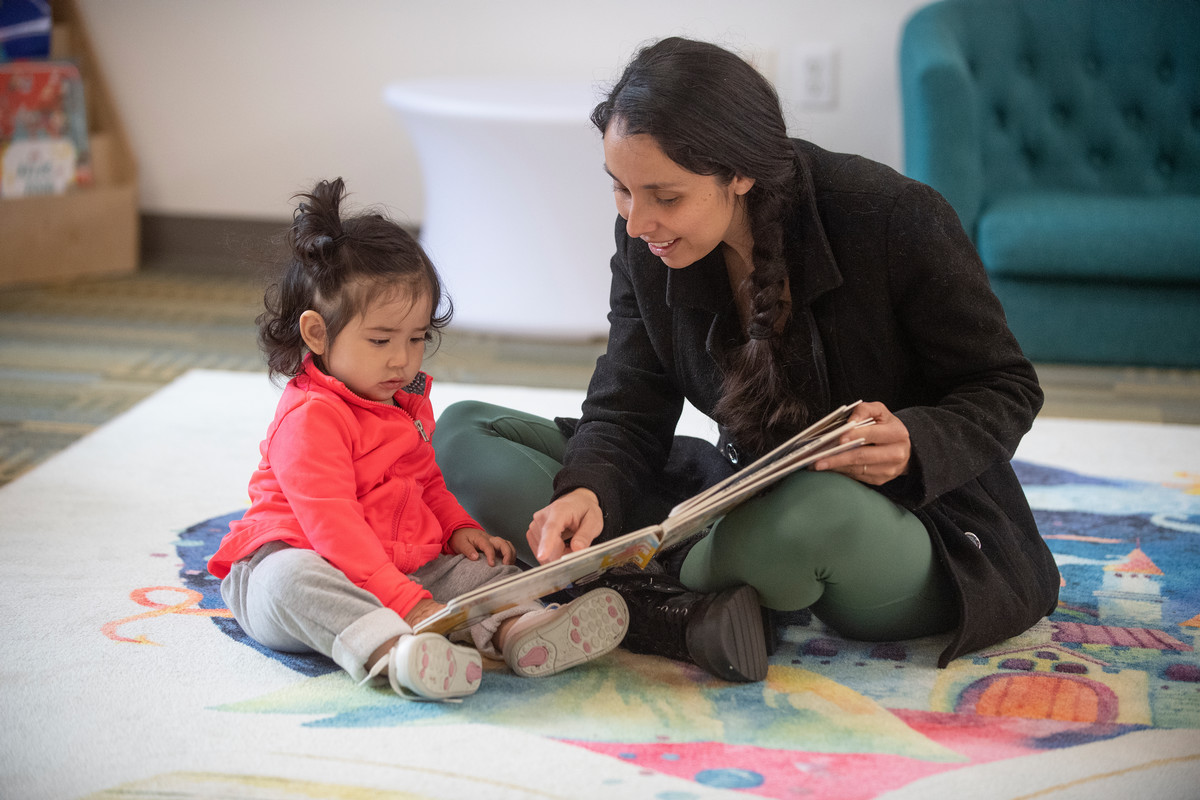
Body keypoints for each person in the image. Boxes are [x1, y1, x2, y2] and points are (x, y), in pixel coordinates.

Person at [433, 37, 1059, 682]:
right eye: (621, 189)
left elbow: (1006, 385)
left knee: (802, 517)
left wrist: (916, 441)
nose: (638, 219)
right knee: (463, 432)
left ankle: (630, 595)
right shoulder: (648, 242)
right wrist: (588, 490)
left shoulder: (895, 218)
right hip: (731, 497)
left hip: (903, 523)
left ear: (739, 172)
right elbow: (629, 405)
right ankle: (680, 611)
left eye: (664, 197)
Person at [207, 178, 628, 701]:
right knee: (291, 579)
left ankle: (524, 631)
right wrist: (406, 602)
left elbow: (425, 477)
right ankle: (394, 654)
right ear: (317, 334)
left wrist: (456, 526)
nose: (401, 359)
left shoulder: (403, 399)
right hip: (302, 561)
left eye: (416, 338)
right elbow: (334, 531)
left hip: (396, 565)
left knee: (482, 569)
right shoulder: (310, 418)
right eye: (381, 340)